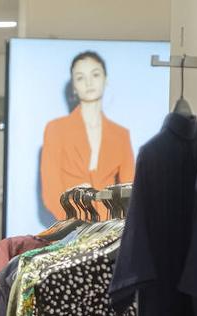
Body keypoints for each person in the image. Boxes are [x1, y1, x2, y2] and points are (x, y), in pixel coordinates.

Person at [40, 50, 136, 220]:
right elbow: (51, 193)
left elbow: (130, 191)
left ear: (105, 79)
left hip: (110, 234)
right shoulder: (55, 129)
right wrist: (77, 226)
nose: (89, 82)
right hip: (69, 233)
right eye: (80, 77)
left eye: (95, 74)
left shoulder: (121, 135)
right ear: (74, 87)